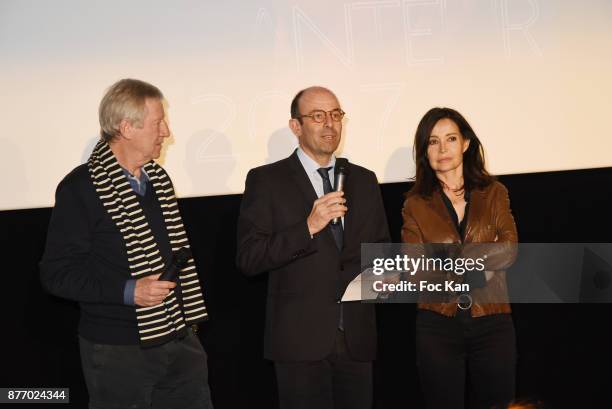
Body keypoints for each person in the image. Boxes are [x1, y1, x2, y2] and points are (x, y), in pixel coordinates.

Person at [40, 79, 213, 409]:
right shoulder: (81, 188)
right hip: (117, 349)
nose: (166, 132)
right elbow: (56, 274)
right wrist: (128, 291)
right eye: (157, 122)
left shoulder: (158, 180)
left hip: (179, 335)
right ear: (126, 127)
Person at [236, 86, 390, 409]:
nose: (329, 124)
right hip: (299, 345)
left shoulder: (363, 180)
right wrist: (308, 227)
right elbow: (249, 258)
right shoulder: (267, 181)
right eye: (318, 116)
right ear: (296, 126)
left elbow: (381, 253)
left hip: (356, 341)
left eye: (336, 115)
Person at [401, 107, 518, 409]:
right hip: (437, 324)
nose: (443, 149)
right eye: (433, 141)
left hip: (492, 321)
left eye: (450, 138)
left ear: (465, 143)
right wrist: (480, 268)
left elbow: (508, 249)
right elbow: (415, 269)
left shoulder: (494, 192)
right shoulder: (415, 204)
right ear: (424, 151)